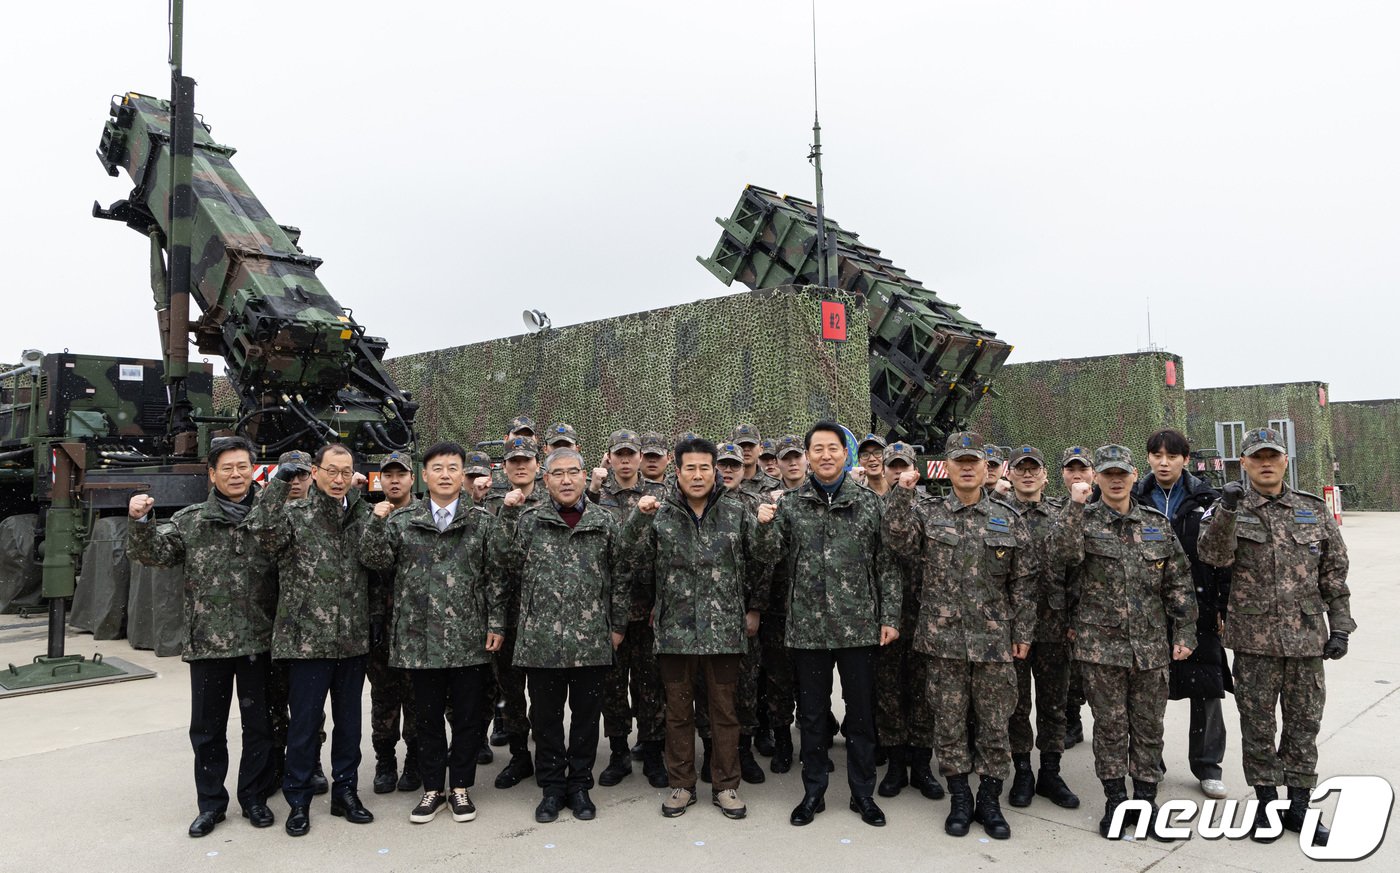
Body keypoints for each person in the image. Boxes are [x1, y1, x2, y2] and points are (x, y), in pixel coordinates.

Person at [1198, 427, 1353, 846]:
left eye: (1273, 456)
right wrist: (1228, 510)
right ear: (1243, 463)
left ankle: (1300, 807)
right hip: (1253, 641)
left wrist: (1340, 626)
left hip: (1306, 640)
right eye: (1257, 457)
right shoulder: (1227, 507)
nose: (1266, 463)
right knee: (1258, 726)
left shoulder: (1312, 509)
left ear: (1285, 461)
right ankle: (1267, 804)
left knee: (1303, 725)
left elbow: (1334, 574)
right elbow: (1213, 555)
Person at [883, 431, 1036, 840]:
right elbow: (897, 541)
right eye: (959, 461)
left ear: (988, 467)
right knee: (948, 723)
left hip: (994, 643)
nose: (967, 467)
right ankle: (959, 796)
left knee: (994, 723)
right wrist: (900, 494)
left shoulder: (1008, 518)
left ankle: (988, 798)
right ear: (945, 468)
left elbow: (1023, 582)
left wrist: (1022, 631)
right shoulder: (928, 513)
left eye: (974, 461)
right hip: (944, 642)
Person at [126, 436, 277, 838]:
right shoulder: (192, 520)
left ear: (254, 470)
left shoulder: (273, 519)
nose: (235, 474)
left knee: (260, 727)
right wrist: (140, 522)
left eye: (242, 466)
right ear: (212, 475)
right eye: (226, 468)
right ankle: (211, 805)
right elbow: (153, 555)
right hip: (208, 643)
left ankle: (254, 799)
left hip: (259, 642)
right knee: (208, 730)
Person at [623, 436, 777, 819]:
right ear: (677, 471)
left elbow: (765, 558)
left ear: (715, 471)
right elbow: (629, 555)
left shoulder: (740, 511)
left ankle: (726, 786)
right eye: (689, 467)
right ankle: (681, 785)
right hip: (675, 632)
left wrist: (765, 528)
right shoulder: (659, 512)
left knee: (725, 712)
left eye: (704, 467)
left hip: (724, 631)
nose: (697, 475)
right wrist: (638, 518)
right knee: (678, 713)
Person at [1051, 444, 1196, 840]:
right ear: (1096, 477)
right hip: (1101, 648)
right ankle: (1116, 801)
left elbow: (1179, 582)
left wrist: (1184, 632)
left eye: (1122, 474)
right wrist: (1074, 507)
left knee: (1149, 728)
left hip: (1150, 648)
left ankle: (1146, 802)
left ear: (1134, 476)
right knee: (1111, 728)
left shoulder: (1155, 523)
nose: (1116, 480)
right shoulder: (1082, 519)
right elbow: (1060, 556)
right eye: (1108, 474)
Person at [245, 443, 381, 836]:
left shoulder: (360, 515)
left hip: (351, 640)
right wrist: (280, 480)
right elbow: (261, 530)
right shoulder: (293, 516)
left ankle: (346, 793)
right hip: (305, 642)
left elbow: (376, 563)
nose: (339, 479)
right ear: (316, 473)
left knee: (350, 726)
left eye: (346, 472)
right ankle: (299, 801)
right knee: (303, 728)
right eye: (331, 471)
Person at [360, 442, 500, 825]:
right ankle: (433, 789)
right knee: (427, 718)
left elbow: (495, 578)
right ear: (424, 475)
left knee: (468, 717)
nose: (444, 474)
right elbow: (374, 560)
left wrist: (496, 625)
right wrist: (375, 520)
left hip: (469, 637)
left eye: (452, 467)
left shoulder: (483, 521)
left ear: (462, 474)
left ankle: (461, 787)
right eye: (437, 468)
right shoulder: (402, 521)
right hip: (419, 639)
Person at [772, 420, 901, 828]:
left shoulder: (869, 503)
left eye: (833, 448)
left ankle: (863, 793)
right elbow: (768, 558)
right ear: (807, 456)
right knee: (811, 716)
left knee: (861, 714)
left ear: (845, 455)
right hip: (808, 628)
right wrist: (764, 521)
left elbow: (888, 566)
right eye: (818, 449)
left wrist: (890, 617)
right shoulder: (790, 506)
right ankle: (814, 791)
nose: (826, 456)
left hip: (858, 624)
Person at [490, 448, 627, 824]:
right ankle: (552, 787)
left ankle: (579, 785)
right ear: (545, 480)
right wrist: (508, 513)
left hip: (590, 639)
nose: (566, 481)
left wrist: (616, 626)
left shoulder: (604, 520)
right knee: (546, 719)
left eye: (573, 473)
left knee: (586, 719)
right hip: (541, 641)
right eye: (558, 474)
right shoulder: (529, 519)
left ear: (585, 476)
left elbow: (620, 577)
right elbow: (502, 561)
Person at [1132, 429, 1232, 800]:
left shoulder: (1207, 499)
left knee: (1205, 688)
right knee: (1147, 690)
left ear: (1185, 460)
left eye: (1172, 456)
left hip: (1199, 604)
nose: (1163, 462)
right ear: (1148, 458)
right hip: (1146, 608)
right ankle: (1149, 762)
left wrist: (1222, 605)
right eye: (1156, 454)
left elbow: (1222, 556)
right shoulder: (1133, 496)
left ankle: (1208, 766)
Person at [1001, 446, 1080, 810]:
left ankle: (1050, 771)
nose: (1028, 475)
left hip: (1054, 625)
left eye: (1034, 469)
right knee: (1015, 705)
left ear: (1046, 475)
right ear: (1010, 474)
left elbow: (1080, 571)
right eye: (1021, 469)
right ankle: (1022, 772)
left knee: (1054, 704)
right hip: (1011, 626)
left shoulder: (1064, 514)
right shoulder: (997, 515)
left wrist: (1075, 621)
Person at [591, 430, 668, 789]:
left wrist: (662, 601)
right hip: (609, 608)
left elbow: (669, 552)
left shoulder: (661, 495)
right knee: (612, 685)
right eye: (619, 454)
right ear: (609, 457)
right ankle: (619, 752)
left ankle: (653, 752)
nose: (625, 460)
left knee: (651, 683)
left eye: (631, 454)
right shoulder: (596, 498)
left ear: (640, 458)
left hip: (648, 607)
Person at [874, 441, 942, 802]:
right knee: (888, 692)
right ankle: (896, 764)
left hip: (923, 614)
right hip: (886, 615)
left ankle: (922, 764)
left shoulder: (932, 508)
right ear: (884, 471)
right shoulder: (874, 507)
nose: (899, 473)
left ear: (916, 470)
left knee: (922, 692)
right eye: (893, 467)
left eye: (905, 467)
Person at [481, 435, 545, 790]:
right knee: (511, 689)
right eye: (514, 461)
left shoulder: (552, 500)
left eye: (527, 460)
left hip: (542, 613)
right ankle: (520, 757)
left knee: (545, 690)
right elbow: (489, 563)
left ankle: (548, 753)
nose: (521, 466)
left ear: (538, 464)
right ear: (504, 467)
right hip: (504, 611)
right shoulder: (490, 504)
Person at [367, 450, 420, 795]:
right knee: (384, 698)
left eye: (401, 474)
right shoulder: (371, 516)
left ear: (412, 478)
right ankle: (385, 762)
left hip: (416, 626)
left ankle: (415, 761)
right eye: (388, 475)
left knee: (417, 698)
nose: (395, 480)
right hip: (379, 624)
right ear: (380, 480)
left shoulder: (423, 516)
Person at [760, 434, 807, 773]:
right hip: (777, 605)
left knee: (810, 682)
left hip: (809, 608)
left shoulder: (816, 497)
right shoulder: (768, 502)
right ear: (776, 463)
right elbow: (761, 560)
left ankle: (810, 746)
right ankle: (783, 744)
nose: (792, 463)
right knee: (778, 680)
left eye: (796, 457)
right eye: (785, 458)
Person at [1059, 446, 1095, 749]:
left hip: (1100, 605)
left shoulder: (1107, 507)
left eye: (1082, 469)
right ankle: (1072, 720)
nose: (1077, 474)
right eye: (1071, 470)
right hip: (1068, 604)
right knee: (1068, 674)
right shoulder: (1059, 510)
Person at [732, 423, 780, 496]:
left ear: (761, 449)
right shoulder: (723, 484)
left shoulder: (775, 486)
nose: (746, 449)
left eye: (751, 445)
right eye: (741, 445)